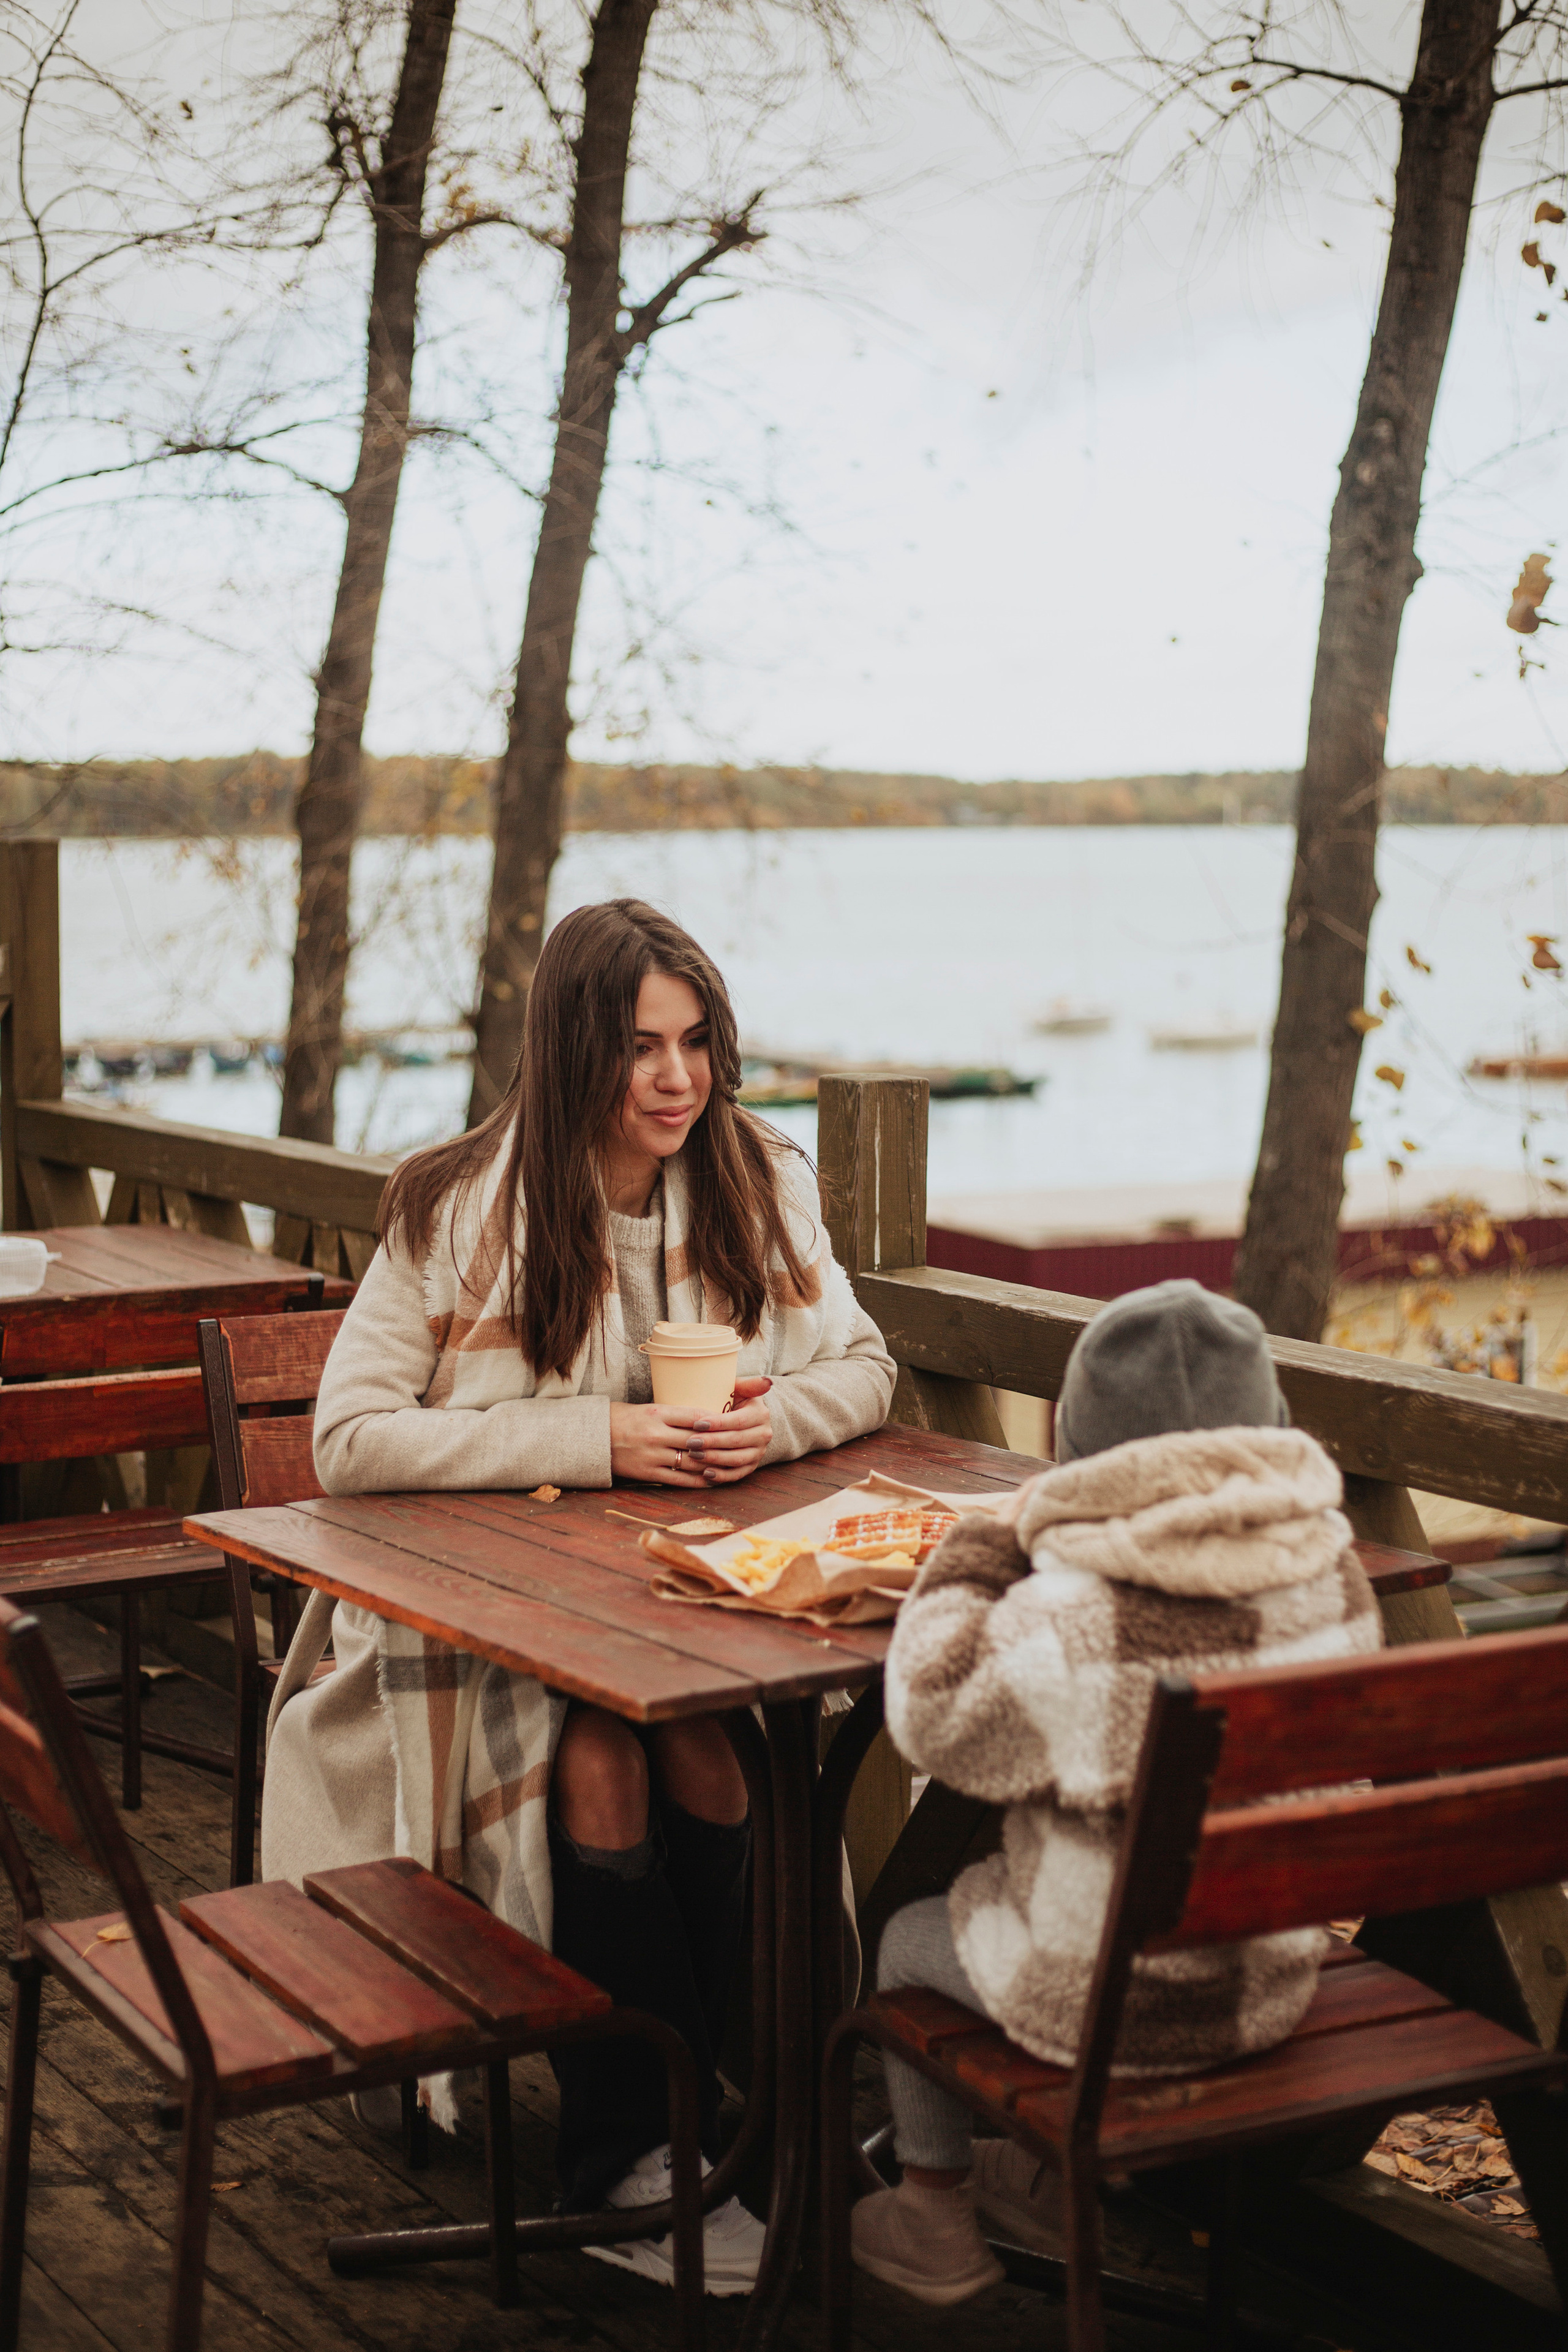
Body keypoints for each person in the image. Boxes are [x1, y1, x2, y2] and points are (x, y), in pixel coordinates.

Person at [260, 898, 896, 2296]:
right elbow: (346, 1443)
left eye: (697, 1043)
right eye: (640, 1049)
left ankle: (725, 2130)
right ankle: (627, 2162)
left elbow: (863, 1367)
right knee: (602, 1759)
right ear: (569, 1056)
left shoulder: (753, 1179)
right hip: (480, 1620)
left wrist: (769, 1423)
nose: (679, 1080)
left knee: (711, 1762)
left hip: (683, 1607)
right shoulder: (453, 1207)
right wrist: (593, 1441)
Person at [852, 1278, 1383, 2306]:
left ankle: (932, 2213)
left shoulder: (1076, 1613)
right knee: (1068, 1882)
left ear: (1085, 1450)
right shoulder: (1333, 1576)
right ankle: (1044, 2180)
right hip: (1266, 1982)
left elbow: (930, 1716)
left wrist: (989, 1540)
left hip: (1113, 2015)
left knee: (906, 1939)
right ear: (1267, 1427)